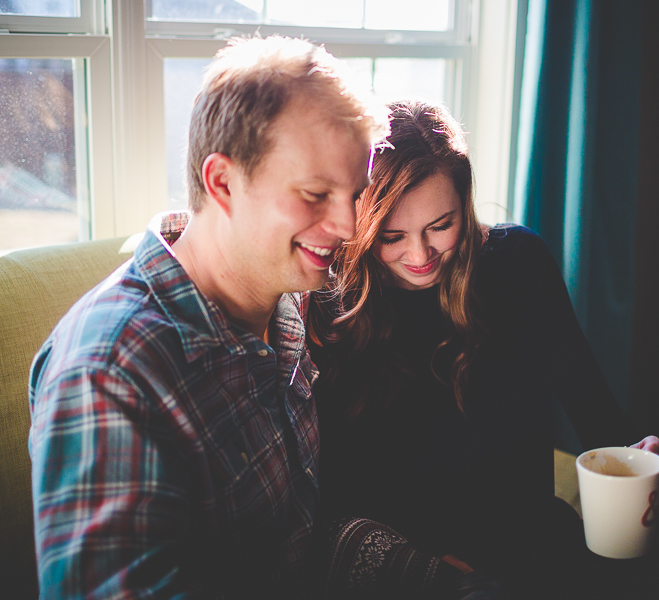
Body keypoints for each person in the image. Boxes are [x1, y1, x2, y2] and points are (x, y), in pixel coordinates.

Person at [28, 36, 389, 598]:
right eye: (316, 193)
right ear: (222, 182)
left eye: (355, 193)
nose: (347, 226)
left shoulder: (283, 300)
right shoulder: (109, 371)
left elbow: (295, 536)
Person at [307, 99, 659, 599]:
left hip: (530, 538)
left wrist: (644, 459)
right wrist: (412, 564)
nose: (420, 256)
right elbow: (338, 483)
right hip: (412, 562)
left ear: (464, 202)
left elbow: (593, 407)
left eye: (440, 225)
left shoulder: (517, 262)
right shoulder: (331, 304)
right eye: (393, 236)